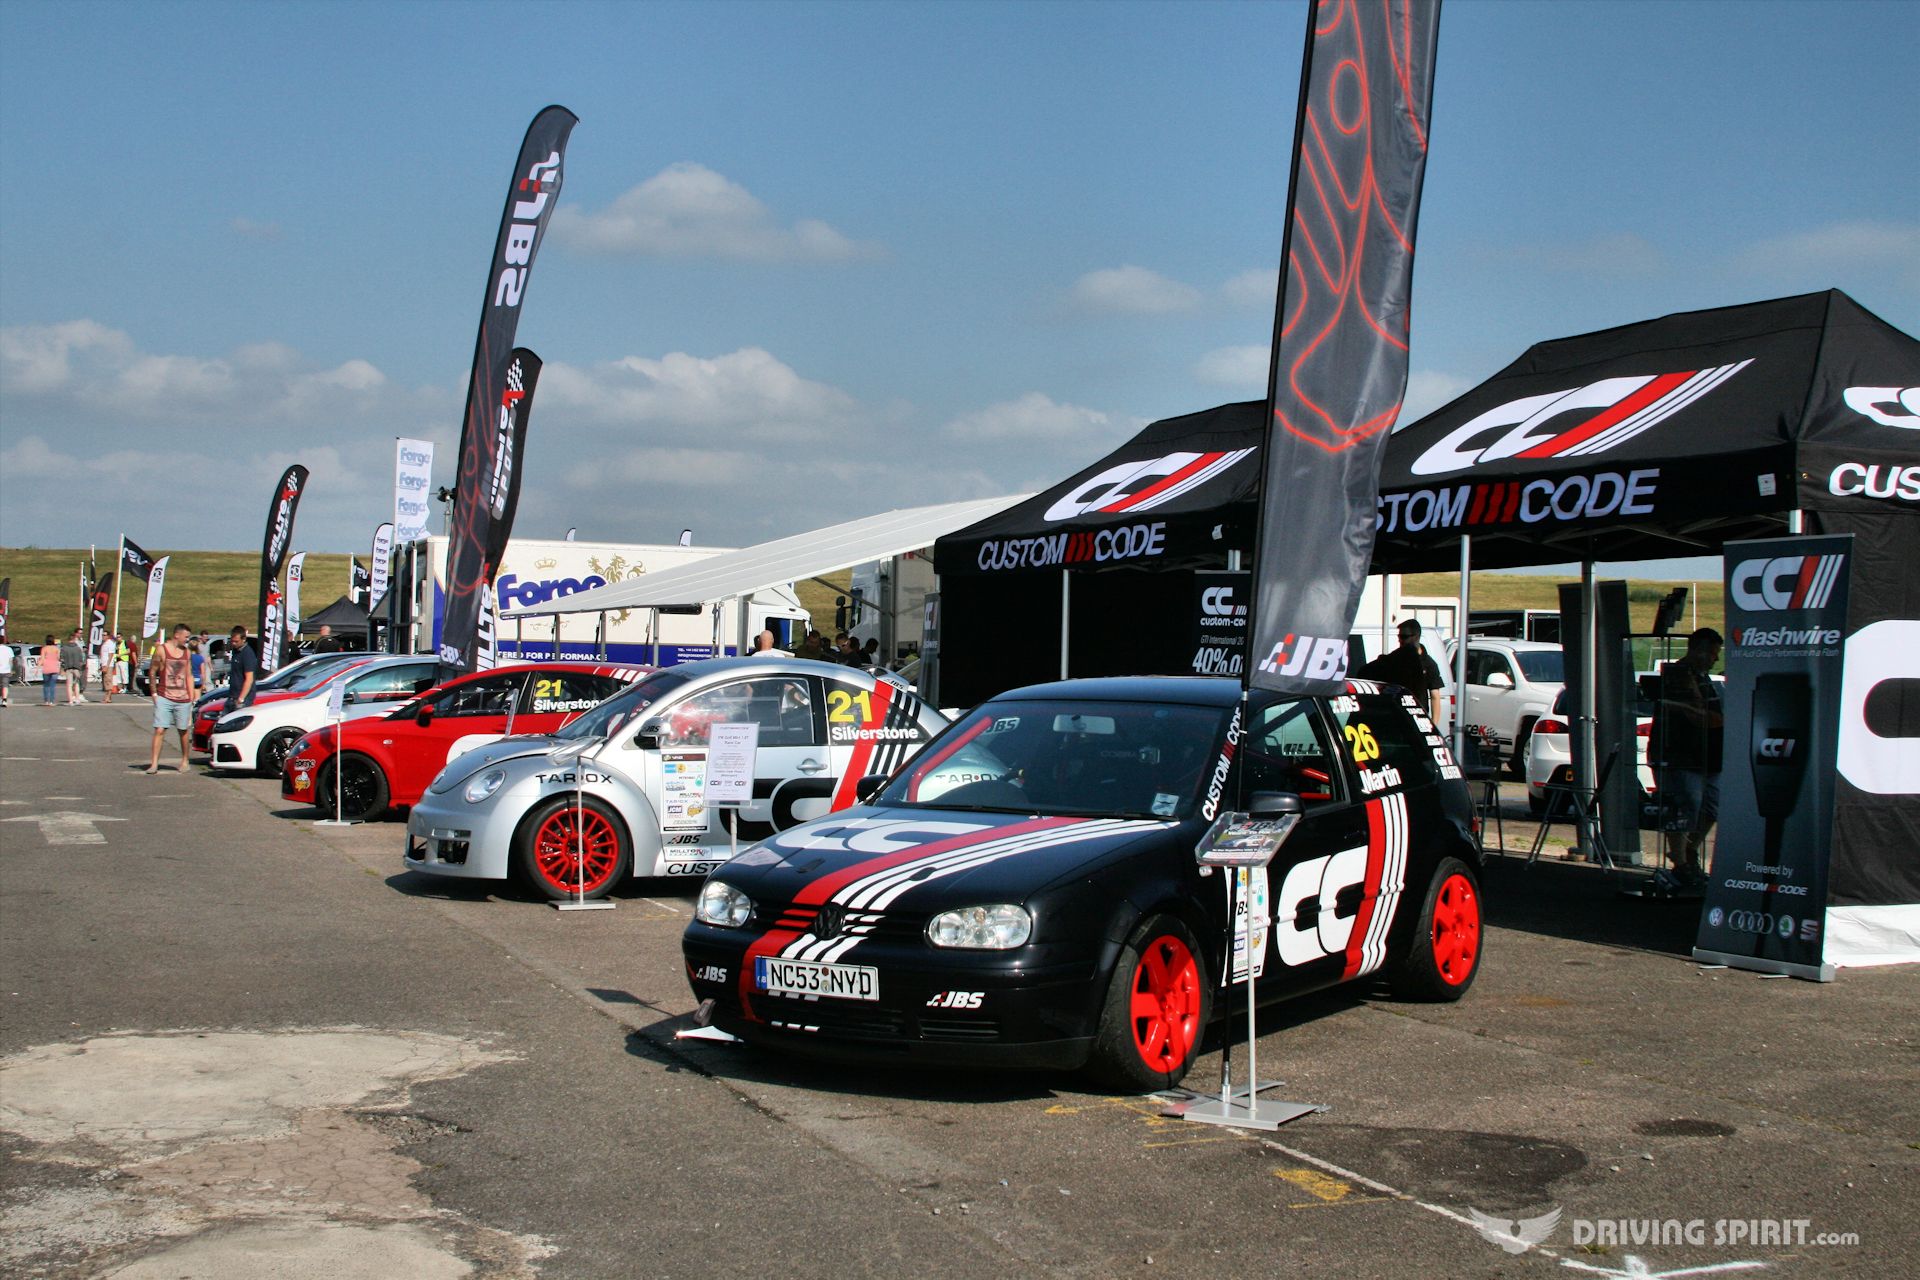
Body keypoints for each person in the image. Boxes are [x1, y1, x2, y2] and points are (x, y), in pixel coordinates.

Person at [1652, 627, 1724, 887]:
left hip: (1709, 757)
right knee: (1685, 806)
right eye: (1713, 653)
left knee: (1713, 806)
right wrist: (1719, 719)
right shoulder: (1678, 675)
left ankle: (1688, 851)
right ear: (1699, 651)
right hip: (1680, 755)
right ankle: (1681, 861)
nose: (1716, 659)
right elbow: (1697, 715)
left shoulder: (1703, 677)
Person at [1356, 619, 1446, 722]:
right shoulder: (1394, 659)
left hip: (1418, 719)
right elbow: (1365, 672)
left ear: (1416, 637)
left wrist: (1434, 725)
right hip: (1396, 717)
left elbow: (1435, 696)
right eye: (1399, 636)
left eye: (1404, 637)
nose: (1400, 640)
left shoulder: (1429, 664)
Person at [147, 623, 196, 774]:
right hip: (164, 696)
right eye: (186, 637)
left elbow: (189, 675)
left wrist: (191, 698)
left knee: (183, 730)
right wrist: (154, 693)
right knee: (159, 729)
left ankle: (185, 760)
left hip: (183, 698)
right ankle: (154, 763)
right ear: (177, 635)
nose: (187, 640)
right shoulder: (162, 650)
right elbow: (152, 671)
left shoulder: (187, 653)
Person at [225, 625, 259, 709]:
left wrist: (241, 699)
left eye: (236, 641)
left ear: (243, 639)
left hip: (243, 699)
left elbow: (249, 679)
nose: (233, 643)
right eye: (232, 641)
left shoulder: (247, 654)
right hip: (232, 696)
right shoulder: (235, 651)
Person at [60, 629, 88, 704]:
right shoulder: (78, 648)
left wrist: (62, 668)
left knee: (69, 684)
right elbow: (80, 659)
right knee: (77, 683)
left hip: (68, 667)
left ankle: (71, 700)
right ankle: (77, 699)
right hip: (77, 667)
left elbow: (62, 659)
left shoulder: (64, 648)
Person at [39, 635, 61, 705]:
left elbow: (42, 658)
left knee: (46, 685)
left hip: (46, 667)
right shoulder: (57, 649)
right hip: (55, 668)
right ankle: (51, 701)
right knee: (52, 685)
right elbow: (58, 658)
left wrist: (38, 666)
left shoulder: (44, 648)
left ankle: (46, 701)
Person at [97, 631, 118, 703]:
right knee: (105, 681)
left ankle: (108, 697)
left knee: (108, 680)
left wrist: (107, 665)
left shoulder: (110, 643)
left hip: (108, 665)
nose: (103, 636)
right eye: (102, 635)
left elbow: (110, 655)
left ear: (108, 636)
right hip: (104, 664)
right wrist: (101, 665)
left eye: (104, 635)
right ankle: (108, 697)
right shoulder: (104, 644)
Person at [0, 639, 14, 707]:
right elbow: (11, 660)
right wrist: (11, 669)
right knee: (5, 685)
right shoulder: (9, 649)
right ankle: (4, 700)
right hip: (6, 670)